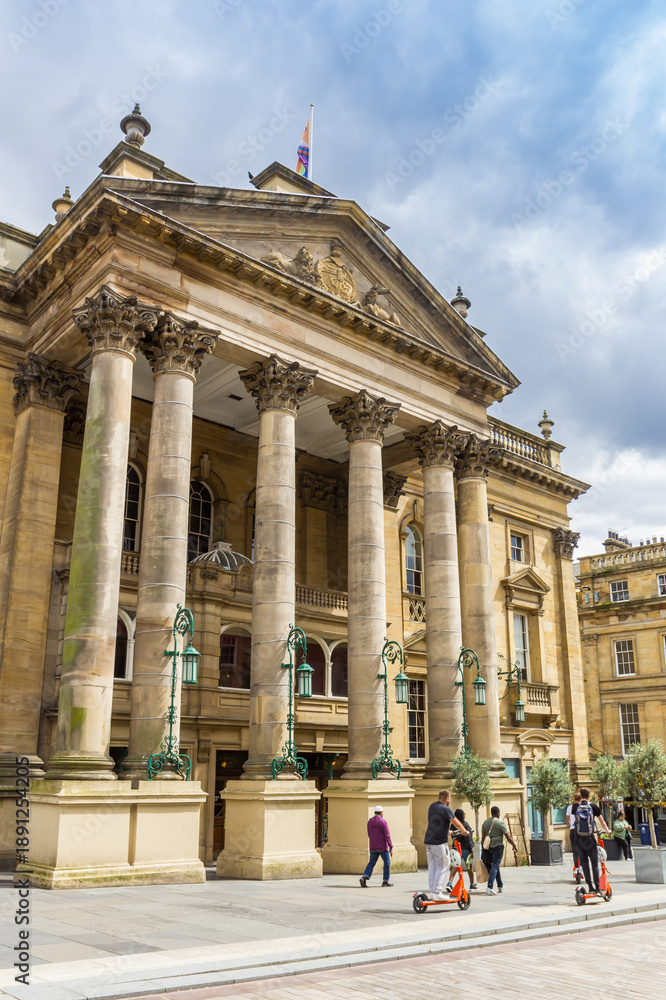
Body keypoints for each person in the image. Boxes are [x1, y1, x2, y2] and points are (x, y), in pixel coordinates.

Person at [423, 790, 467, 900]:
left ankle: (432, 891)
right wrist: (465, 831)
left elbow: (436, 823)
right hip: (439, 842)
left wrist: (448, 831)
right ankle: (437, 892)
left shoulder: (432, 806)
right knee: (443, 865)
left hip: (429, 841)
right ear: (447, 799)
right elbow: (456, 822)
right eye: (449, 799)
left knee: (433, 867)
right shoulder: (446, 809)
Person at [571, 787, 611, 895]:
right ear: (589, 796)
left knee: (584, 863)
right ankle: (598, 888)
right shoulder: (593, 806)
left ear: (580, 795)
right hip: (589, 839)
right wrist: (607, 831)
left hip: (578, 839)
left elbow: (575, 822)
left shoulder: (575, 807)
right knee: (594, 864)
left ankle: (590, 887)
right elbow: (602, 822)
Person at [481, 805, 518, 895]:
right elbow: (508, 837)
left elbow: (483, 837)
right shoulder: (500, 823)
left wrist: (483, 849)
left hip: (487, 847)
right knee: (495, 866)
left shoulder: (485, 823)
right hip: (497, 847)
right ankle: (489, 887)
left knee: (495, 866)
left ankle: (500, 886)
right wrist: (514, 845)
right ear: (498, 813)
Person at [359, 806, 393, 887]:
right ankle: (385, 881)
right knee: (387, 864)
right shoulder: (383, 822)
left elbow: (369, 834)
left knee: (371, 863)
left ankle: (364, 877)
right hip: (382, 847)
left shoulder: (370, 822)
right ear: (381, 812)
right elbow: (387, 835)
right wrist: (391, 846)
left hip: (373, 846)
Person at [451, 807, 478, 891]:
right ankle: (472, 884)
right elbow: (469, 838)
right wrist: (471, 849)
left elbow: (452, 836)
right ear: (462, 815)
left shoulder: (453, 825)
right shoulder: (465, 824)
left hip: (456, 849)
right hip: (466, 849)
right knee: (469, 866)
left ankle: (450, 882)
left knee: (455, 866)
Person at [566, 791, 582, 873]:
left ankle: (576, 867)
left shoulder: (570, 807)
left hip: (573, 829)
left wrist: (570, 825)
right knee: (582, 849)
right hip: (582, 830)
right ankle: (582, 866)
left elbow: (567, 819)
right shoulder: (583, 807)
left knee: (575, 849)